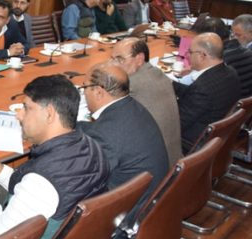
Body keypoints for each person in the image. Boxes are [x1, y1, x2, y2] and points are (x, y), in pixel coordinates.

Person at [0, 75, 108, 239]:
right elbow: (27, 188)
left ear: (49, 114)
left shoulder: (41, 181)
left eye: (26, 108)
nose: (19, 115)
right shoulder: (91, 146)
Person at [77, 64, 169, 193]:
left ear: (98, 92)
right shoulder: (134, 107)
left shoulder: (105, 133)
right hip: (155, 193)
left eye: (84, 87)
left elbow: (84, 177)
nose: (84, 93)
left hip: (134, 207)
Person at [109, 38, 182, 167]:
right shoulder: (158, 73)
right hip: (174, 161)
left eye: (120, 59)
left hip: (154, 170)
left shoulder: (132, 85)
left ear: (139, 58)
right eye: (112, 58)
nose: (113, 64)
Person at [175, 32, 241, 153]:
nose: (187, 55)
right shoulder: (230, 72)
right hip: (218, 138)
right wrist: (170, 85)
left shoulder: (202, 89)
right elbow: (194, 95)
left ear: (202, 56)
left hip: (191, 143)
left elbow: (176, 123)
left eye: (190, 52)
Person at [193, 16, 252, 98]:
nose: (234, 37)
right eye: (232, 33)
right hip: (242, 99)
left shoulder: (227, 56)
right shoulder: (241, 50)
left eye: (238, 35)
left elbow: (203, 84)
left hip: (232, 101)